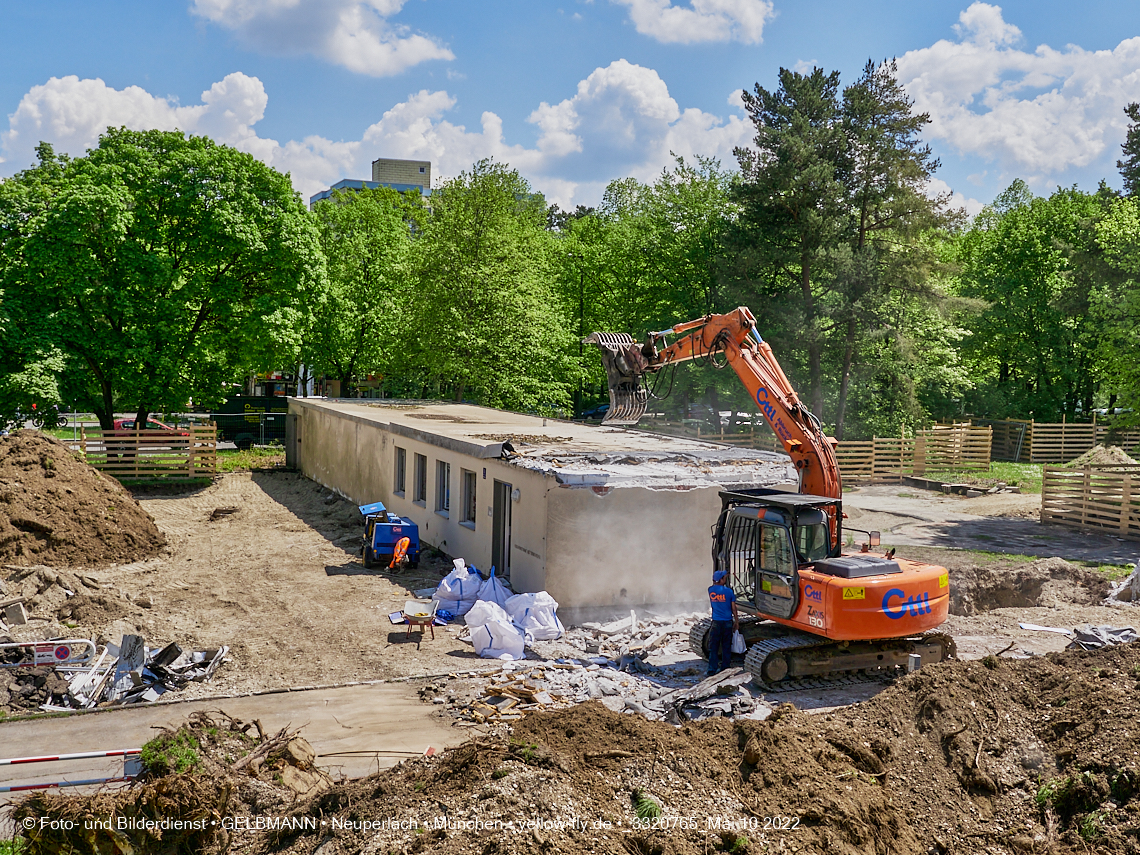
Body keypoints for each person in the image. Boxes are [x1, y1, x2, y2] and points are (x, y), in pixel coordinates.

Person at [707, 569, 738, 676]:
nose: (725, 578)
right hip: (727, 622)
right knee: (726, 646)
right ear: (721, 579)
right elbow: (734, 608)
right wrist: (737, 621)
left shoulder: (710, 590)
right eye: (724, 577)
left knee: (714, 647)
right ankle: (725, 668)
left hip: (716, 622)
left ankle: (712, 670)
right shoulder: (729, 591)